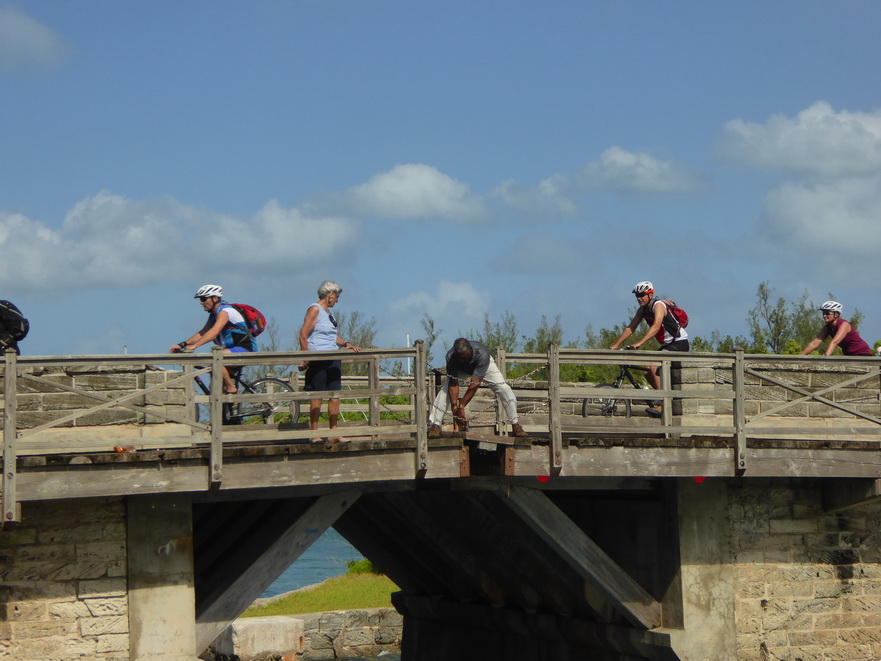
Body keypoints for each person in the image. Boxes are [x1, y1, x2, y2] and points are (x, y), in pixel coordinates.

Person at [609, 281, 689, 418]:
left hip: (679, 342)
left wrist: (640, 343)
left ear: (650, 295)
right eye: (637, 296)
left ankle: (665, 403)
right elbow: (631, 327)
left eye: (642, 295)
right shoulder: (642, 310)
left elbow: (656, 326)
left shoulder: (659, 306)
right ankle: (663, 400)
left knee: (653, 368)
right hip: (667, 345)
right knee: (647, 372)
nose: (639, 298)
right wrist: (615, 345)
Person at [297, 281, 362, 442]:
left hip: (333, 356)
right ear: (329, 295)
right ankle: (314, 434)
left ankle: (334, 432)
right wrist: (306, 358)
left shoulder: (328, 313)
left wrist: (346, 344)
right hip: (318, 357)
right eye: (336, 296)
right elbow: (303, 335)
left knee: (335, 395)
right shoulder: (314, 309)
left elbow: (331, 335)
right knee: (317, 395)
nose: (337, 300)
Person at [428, 338, 528, 438]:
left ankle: (516, 426)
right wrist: (455, 408)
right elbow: (454, 384)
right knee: (444, 392)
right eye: (459, 358)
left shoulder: (482, 354)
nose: (462, 361)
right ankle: (435, 425)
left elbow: (474, 385)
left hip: (485, 367)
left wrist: (461, 406)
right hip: (462, 371)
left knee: (504, 389)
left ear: (470, 350)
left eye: (464, 357)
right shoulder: (451, 357)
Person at [169, 285, 257, 395]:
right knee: (215, 378)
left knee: (215, 360)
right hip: (229, 352)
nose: (201, 302)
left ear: (215, 298)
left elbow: (214, 333)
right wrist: (182, 345)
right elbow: (202, 333)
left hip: (245, 349)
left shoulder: (225, 311)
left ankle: (232, 389)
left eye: (203, 299)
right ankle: (223, 408)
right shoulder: (213, 315)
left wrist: (194, 346)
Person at [800, 301, 872, 357]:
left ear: (836, 314)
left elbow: (834, 342)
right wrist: (799, 357)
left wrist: (825, 358)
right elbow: (814, 344)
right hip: (849, 355)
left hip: (862, 354)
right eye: (823, 313)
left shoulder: (844, 324)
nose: (824, 316)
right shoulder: (828, 327)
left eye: (827, 313)